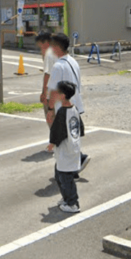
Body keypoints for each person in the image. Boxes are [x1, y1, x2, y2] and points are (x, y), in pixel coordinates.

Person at [47, 33, 89, 172]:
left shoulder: (58, 66)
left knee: (61, 142)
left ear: (57, 47)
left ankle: (65, 173)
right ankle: (76, 164)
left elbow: (53, 90)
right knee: (73, 139)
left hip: (62, 110)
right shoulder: (73, 61)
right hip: (74, 107)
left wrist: (50, 109)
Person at [47, 80, 82, 213]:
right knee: (59, 174)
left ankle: (73, 203)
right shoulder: (74, 109)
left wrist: (52, 144)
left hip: (65, 149)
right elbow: (80, 127)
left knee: (65, 177)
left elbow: (57, 131)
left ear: (62, 96)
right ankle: (67, 198)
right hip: (73, 147)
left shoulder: (62, 112)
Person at [36, 32, 58, 129]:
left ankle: (56, 141)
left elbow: (47, 75)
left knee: (52, 120)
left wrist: (44, 93)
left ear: (46, 43)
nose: (41, 51)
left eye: (41, 47)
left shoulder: (49, 55)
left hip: (52, 93)